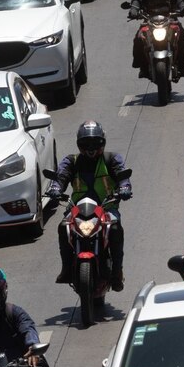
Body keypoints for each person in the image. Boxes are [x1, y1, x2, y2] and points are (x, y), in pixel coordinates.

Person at [46, 121, 132, 290]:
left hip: (107, 207)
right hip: (78, 208)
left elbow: (122, 174)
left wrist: (124, 187)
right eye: (86, 144)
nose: (91, 148)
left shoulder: (112, 159)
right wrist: (55, 188)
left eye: (95, 143)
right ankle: (66, 268)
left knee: (115, 229)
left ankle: (117, 272)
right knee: (63, 227)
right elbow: (61, 177)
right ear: (79, 144)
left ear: (103, 142)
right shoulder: (71, 161)